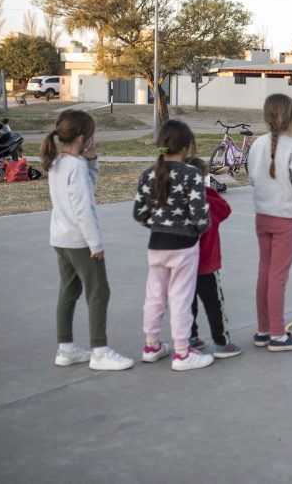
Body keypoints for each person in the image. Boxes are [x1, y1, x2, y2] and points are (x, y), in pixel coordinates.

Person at [43, 110, 133, 371]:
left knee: (68, 291)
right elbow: (83, 208)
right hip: (80, 240)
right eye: (92, 137)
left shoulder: (59, 162)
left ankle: (66, 349)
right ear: (82, 138)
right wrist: (96, 244)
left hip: (60, 237)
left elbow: (84, 190)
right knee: (99, 292)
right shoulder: (76, 166)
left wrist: (93, 161)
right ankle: (100, 351)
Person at [133, 120, 213, 371]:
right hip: (184, 245)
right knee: (180, 298)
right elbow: (200, 215)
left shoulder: (149, 174)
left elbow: (139, 213)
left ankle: (151, 345)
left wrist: (157, 225)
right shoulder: (192, 174)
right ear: (188, 145)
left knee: (154, 296)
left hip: (156, 244)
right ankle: (182, 352)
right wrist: (198, 230)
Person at [248, 94, 292, 351]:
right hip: (285, 218)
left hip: (262, 216)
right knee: (278, 276)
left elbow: (254, 178)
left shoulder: (256, 145)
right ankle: (277, 334)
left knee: (265, 272)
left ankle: (263, 330)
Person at [184, 157, 242, 359]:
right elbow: (225, 210)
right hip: (207, 265)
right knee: (214, 304)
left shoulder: (180, 202)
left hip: (184, 264)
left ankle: (189, 338)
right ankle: (222, 342)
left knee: (187, 303)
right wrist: (208, 191)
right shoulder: (208, 201)